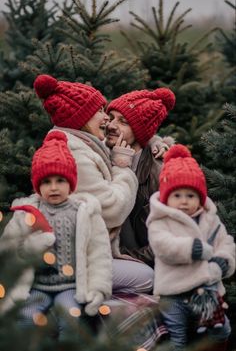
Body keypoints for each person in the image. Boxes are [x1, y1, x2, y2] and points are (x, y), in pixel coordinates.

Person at [33, 75, 154, 295]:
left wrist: (157, 143)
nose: (106, 118)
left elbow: (140, 131)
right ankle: (85, 304)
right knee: (146, 278)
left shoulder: (81, 143)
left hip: (83, 253)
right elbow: (112, 210)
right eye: (99, 111)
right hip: (78, 259)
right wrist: (122, 168)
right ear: (82, 117)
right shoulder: (75, 154)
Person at [1, 131, 112, 338]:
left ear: (71, 182)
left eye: (60, 180)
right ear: (37, 185)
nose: (53, 187)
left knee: (71, 318)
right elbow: (8, 250)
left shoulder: (84, 212)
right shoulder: (26, 213)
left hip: (70, 287)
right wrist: (33, 247)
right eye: (46, 182)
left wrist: (98, 288)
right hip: (36, 287)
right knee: (26, 318)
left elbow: (98, 255)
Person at [146, 144, 236, 351]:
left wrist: (223, 261)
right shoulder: (160, 220)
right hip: (173, 292)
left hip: (205, 290)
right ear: (167, 197)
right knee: (176, 336)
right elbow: (162, 245)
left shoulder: (209, 219)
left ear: (200, 198)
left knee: (220, 330)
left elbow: (226, 242)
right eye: (177, 196)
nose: (184, 202)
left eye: (190, 196)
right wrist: (192, 248)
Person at [106, 87, 176, 268]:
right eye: (111, 117)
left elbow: (168, 240)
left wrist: (125, 257)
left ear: (140, 131)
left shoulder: (158, 173)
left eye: (122, 121)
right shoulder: (102, 155)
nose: (111, 125)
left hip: (142, 264)